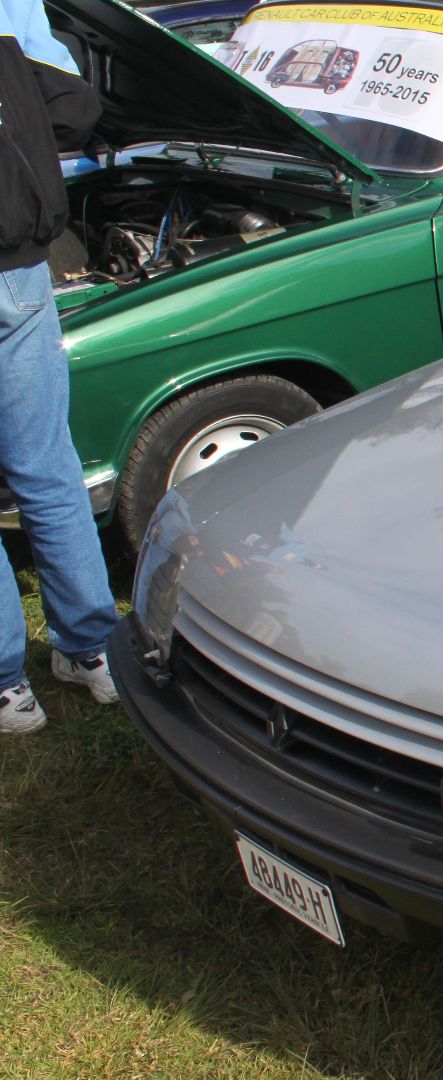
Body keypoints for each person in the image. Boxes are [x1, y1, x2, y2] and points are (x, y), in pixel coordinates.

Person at [1, 0, 117, 734]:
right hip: (17, 261)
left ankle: (6, 688)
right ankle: (93, 649)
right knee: (47, 467)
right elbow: (74, 109)